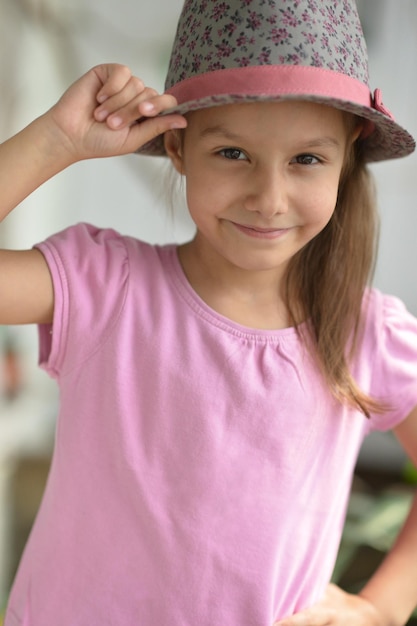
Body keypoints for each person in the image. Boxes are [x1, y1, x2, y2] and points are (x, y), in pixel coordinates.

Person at [1, 0, 417, 624]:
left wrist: (378, 609)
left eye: (306, 159)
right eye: (232, 154)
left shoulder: (366, 335)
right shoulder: (104, 285)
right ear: (177, 143)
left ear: (347, 156)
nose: (268, 199)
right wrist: (55, 140)